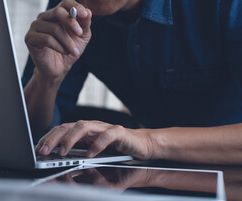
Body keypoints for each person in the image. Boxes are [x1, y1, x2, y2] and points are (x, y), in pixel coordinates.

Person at [22, 0, 242, 164]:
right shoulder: (69, 9)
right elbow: (27, 134)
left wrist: (148, 141)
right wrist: (46, 79)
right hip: (155, 176)